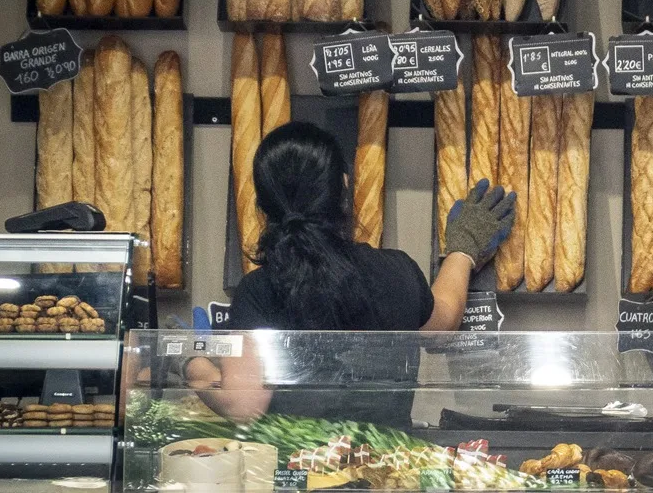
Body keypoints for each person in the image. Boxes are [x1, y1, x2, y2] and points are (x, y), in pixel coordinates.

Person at [184, 121, 515, 427]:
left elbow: (244, 405)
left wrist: (190, 360)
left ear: (261, 205)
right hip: (384, 470)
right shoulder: (395, 271)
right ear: (343, 187)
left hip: (299, 474)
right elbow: (441, 325)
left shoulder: (258, 290)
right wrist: (463, 250)